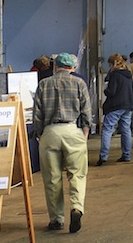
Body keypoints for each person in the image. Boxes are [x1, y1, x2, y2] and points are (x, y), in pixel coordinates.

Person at [32, 52, 91, 233]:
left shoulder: (43, 84)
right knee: (77, 174)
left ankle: (57, 220)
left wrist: (40, 135)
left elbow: (37, 116)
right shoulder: (79, 83)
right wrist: (85, 135)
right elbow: (87, 114)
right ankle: (76, 208)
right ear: (72, 68)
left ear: (55, 67)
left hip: (50, 133)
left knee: (52, 179)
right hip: (73, 131)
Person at [97, 53, 133, 165]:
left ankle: (103, 156)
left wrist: (105, 89)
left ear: (112, 64)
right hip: (127, 105)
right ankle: (126, 155)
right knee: (126, 130)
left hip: (115, 106)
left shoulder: (114, 75)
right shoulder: (128, 75)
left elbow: (111, 91)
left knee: (107, 130)